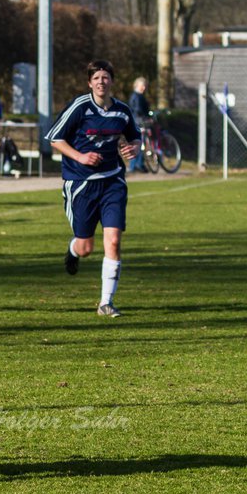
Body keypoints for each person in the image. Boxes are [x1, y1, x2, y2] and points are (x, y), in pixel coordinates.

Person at [46, 60, 141, 318]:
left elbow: (135, 136)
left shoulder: (122, 110)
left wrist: (135, 148)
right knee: (86, 247)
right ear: (90, 83)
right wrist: (80, 157)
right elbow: (55, 137)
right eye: (96, 77)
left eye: (106, 77)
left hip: (112, 181)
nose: (101, 81)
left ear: (112, 81)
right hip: (81, 183)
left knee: (113, 240)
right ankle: (73, 250)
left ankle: (105, 303)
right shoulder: (80, 107)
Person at [127, 77, 152, 173]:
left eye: (145, 85)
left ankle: (138, 164)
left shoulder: (139, 96)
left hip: (138, 121)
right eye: (143, 85)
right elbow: (138, 110)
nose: (144, 87)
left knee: (140, 143)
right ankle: (135, 165)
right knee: (138, 143)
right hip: (138, 122)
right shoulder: (137, 96)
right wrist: (145, 118)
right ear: (137, 85)